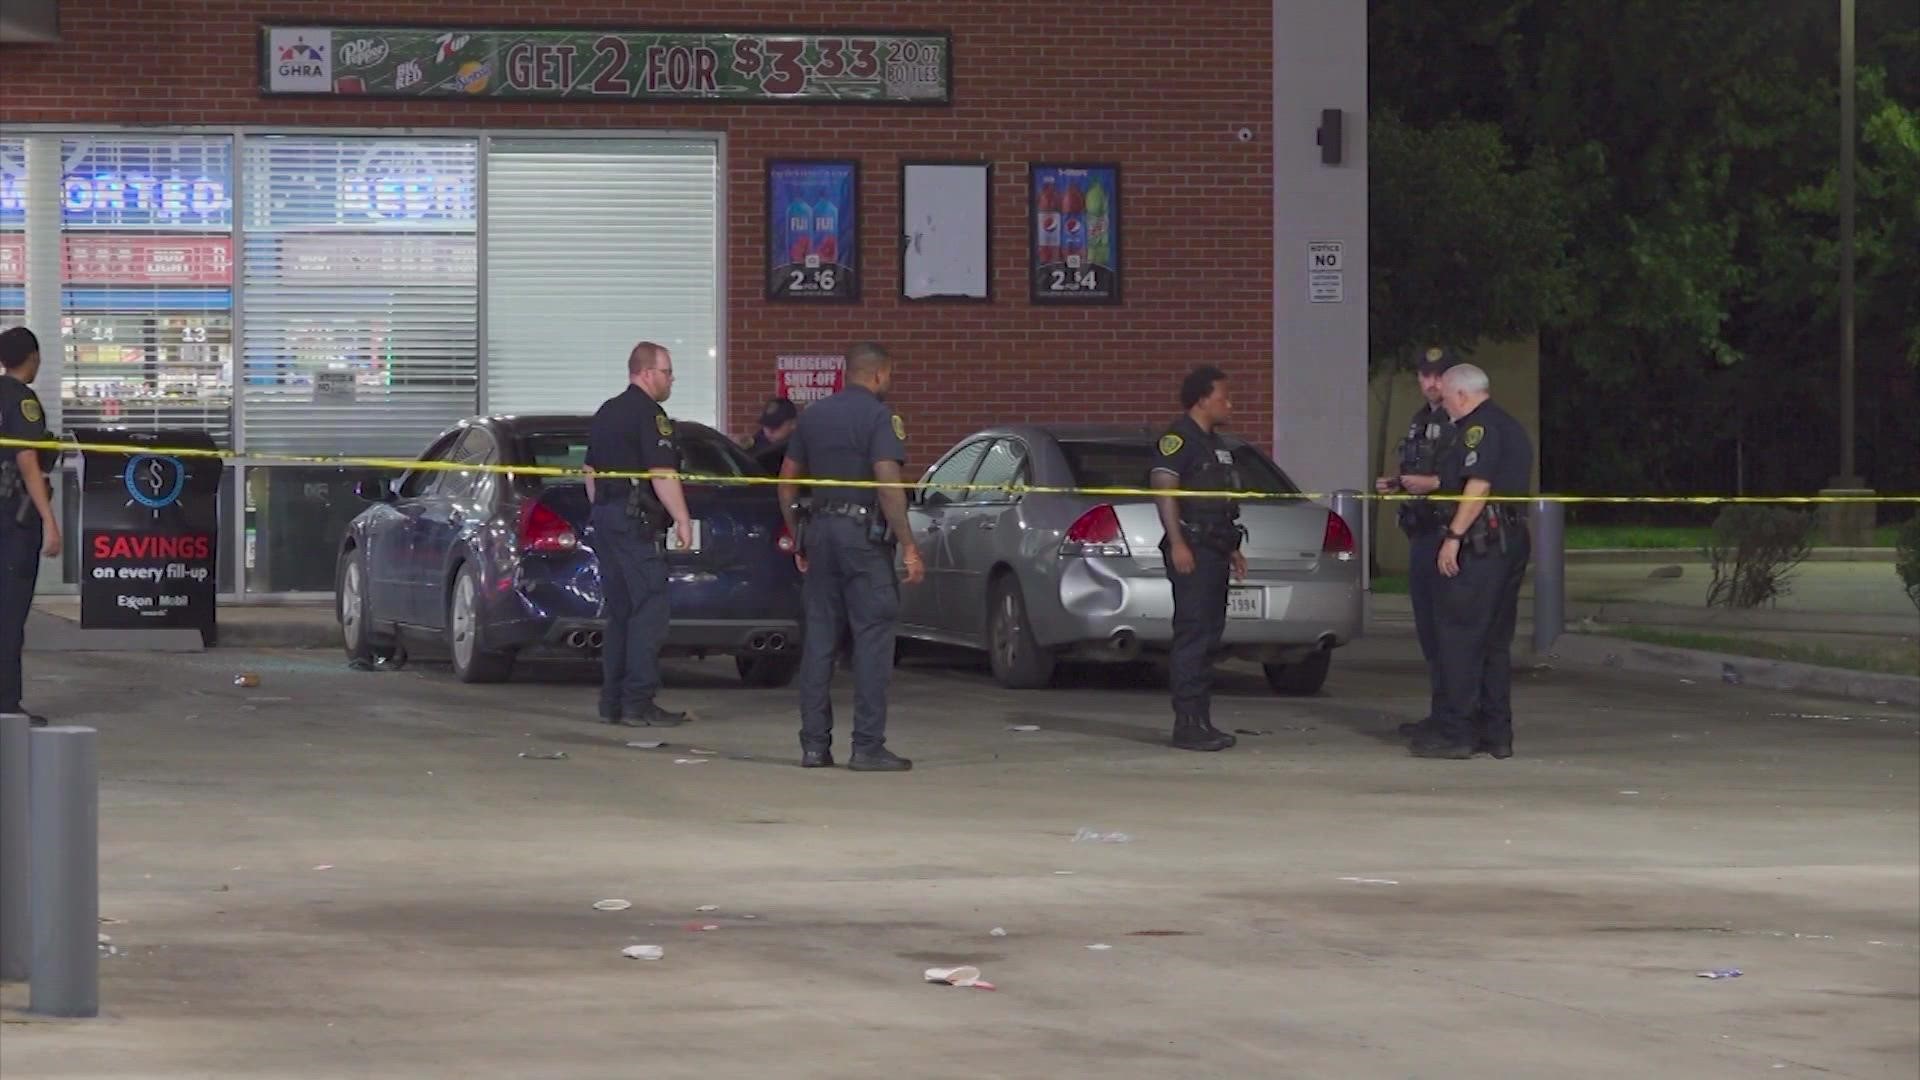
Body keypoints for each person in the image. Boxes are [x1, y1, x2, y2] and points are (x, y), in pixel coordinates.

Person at [776, 342, 923, 772]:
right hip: (863, 540)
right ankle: (867, 746)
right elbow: (887, 481)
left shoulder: (813, 415)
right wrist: (909, 544)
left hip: (820, 534)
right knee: (873, 637)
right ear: (878, 375)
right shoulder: (881, 417)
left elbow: (786, 481)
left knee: (820, 640)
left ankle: (814, 747)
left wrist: (797, 536)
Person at [1411, 363, 1534, 760]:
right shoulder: (1508, 424)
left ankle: (1457, 732)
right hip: (1506, 540)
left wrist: (1453, 537)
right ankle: (1495, 731)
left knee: (1459, 637)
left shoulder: (1477, 428)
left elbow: (1477, 486)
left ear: (1462, 394)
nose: (1444, 405)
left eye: (1446, 397)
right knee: (1494, 642)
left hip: (1481, 543)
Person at [583, 341, 694, 728]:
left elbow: (590, 473)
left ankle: (612, 701)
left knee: (621, 614)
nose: (671, 380)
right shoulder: (651, 415)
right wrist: (682, 518)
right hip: (634, 524)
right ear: (647, 373)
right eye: (667, 372)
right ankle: (638, 702)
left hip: (607, 520)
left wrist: (603, 513)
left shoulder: (606, 412)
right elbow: (662, 472)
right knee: (650, 611)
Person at [1151, 365, 1249, 752]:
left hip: (1216, 548)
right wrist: (1177, 543)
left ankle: (1202, 719)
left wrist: (1233, 548)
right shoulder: (1178, 440)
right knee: (1193, 634)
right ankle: (1188, 723)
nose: (1230, 402)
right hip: (1192, 548)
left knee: (1209, 636)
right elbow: (1165, 493)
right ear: (1202, 398)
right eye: (1224, 395)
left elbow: (1220, 502)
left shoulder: (1217, 445)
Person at [1376, 346, 1460, 740]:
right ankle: (1439, 712)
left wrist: (1434, 485)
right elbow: (1420, 467)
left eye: (1438, 375)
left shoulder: (1464, 419)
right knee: (1428, 630)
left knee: (1450, 629)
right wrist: (1398, 482)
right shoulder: (1420, 419)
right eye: (1424, 375)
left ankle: (1455, 716)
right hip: (1421, 532)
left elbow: (1473, 478)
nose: (1430, 383)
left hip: (1450, 535)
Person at [0, 328, 59, 728]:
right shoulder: (21, 400)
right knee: (10, 611)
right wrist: (50, 522)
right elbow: (27, 462)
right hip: (13, 520)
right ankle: (6, 703)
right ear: (32, 358)